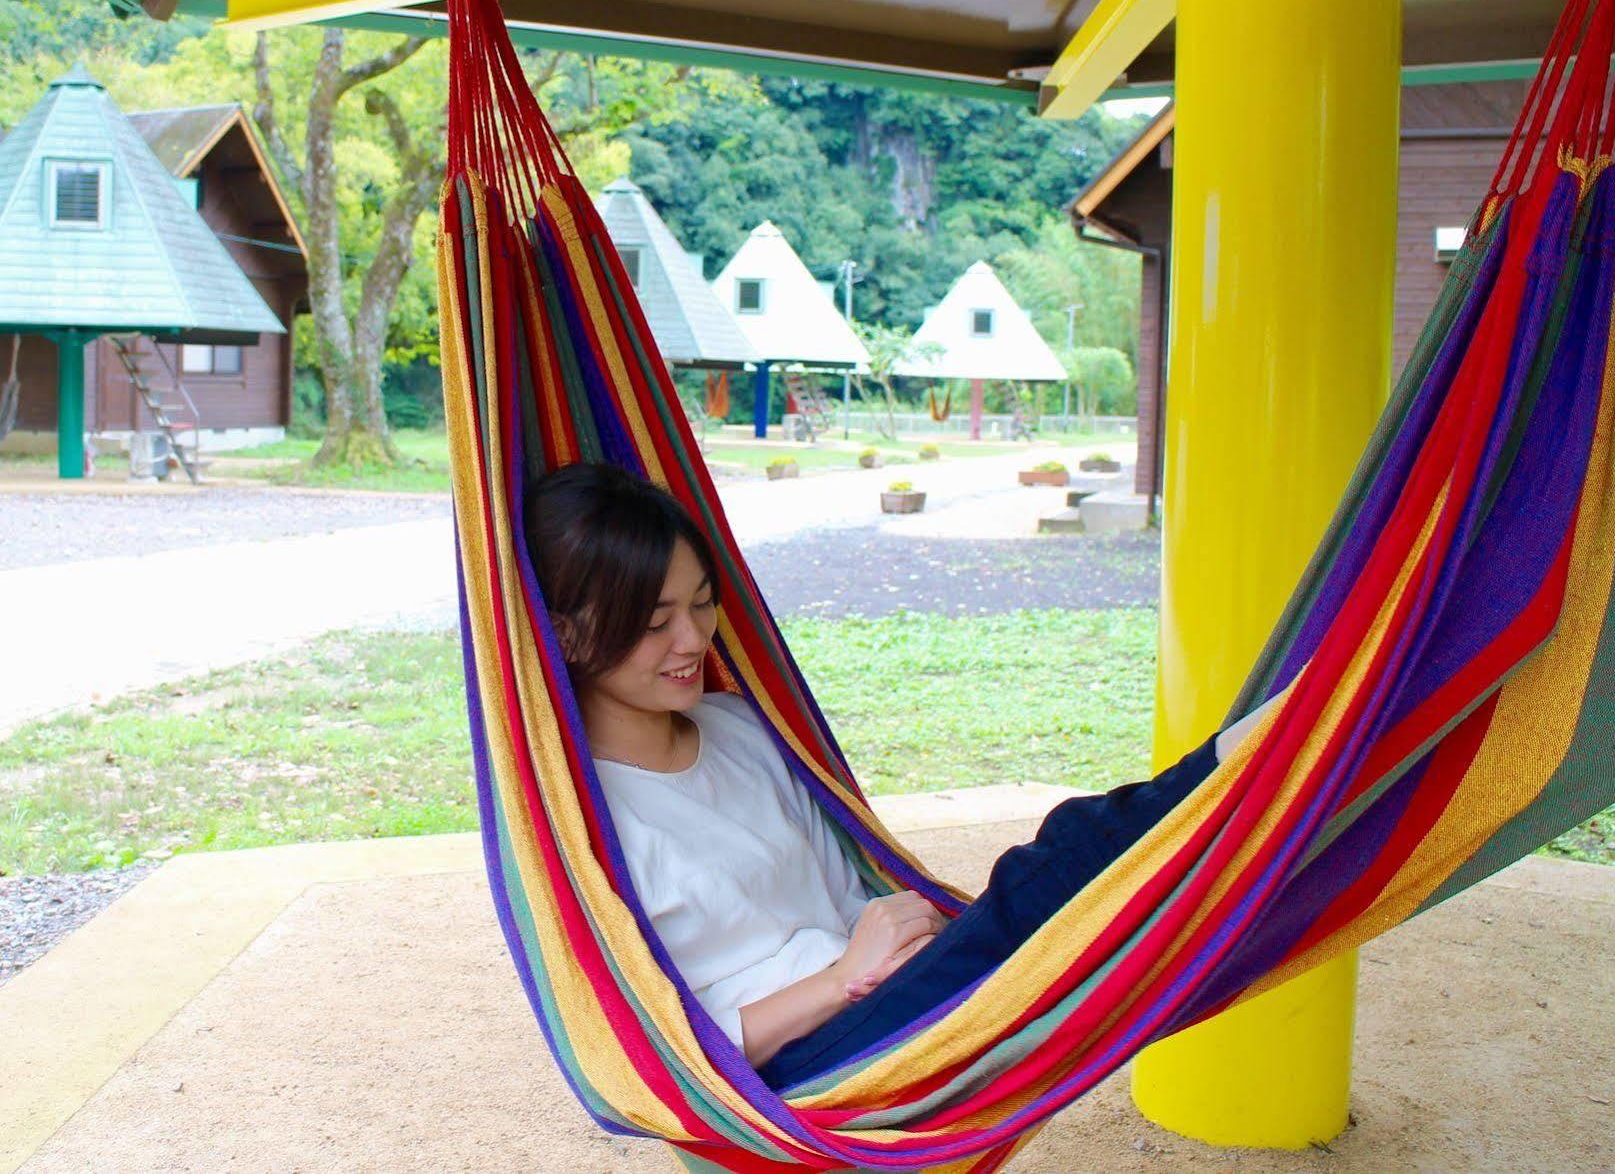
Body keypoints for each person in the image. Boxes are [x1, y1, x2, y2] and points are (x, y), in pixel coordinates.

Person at [523, 461, 1263, 1089]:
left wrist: (905, 943)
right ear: (567, 631)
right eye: (655, 623)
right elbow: (656, 1060)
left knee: (1048, 902)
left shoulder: (742, 729)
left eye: (702, 604)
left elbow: (847, 899)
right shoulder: (583, 822)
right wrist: (846, 978)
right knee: (1046, 879)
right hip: (793, 1077)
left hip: (882, 1009)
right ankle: (1235, 768)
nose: (692, 639)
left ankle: (1257, 782)